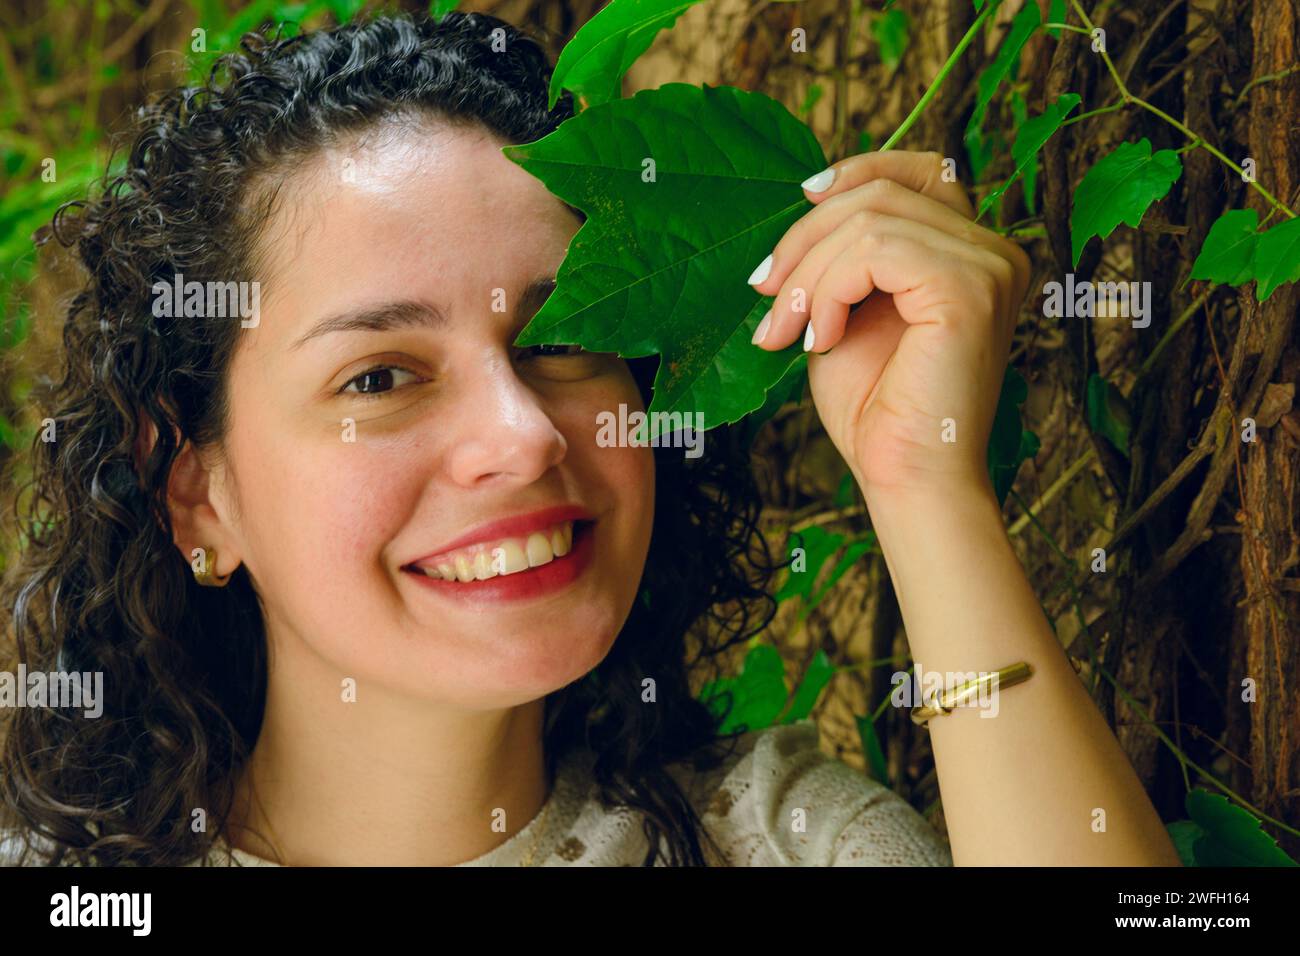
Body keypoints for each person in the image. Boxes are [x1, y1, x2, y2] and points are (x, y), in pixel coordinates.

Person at [0, 9, 1180, 867]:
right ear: (193, 491)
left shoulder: (793, 847)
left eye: (565, 336)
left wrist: (924, 483)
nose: (521, 435)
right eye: (380, 374)